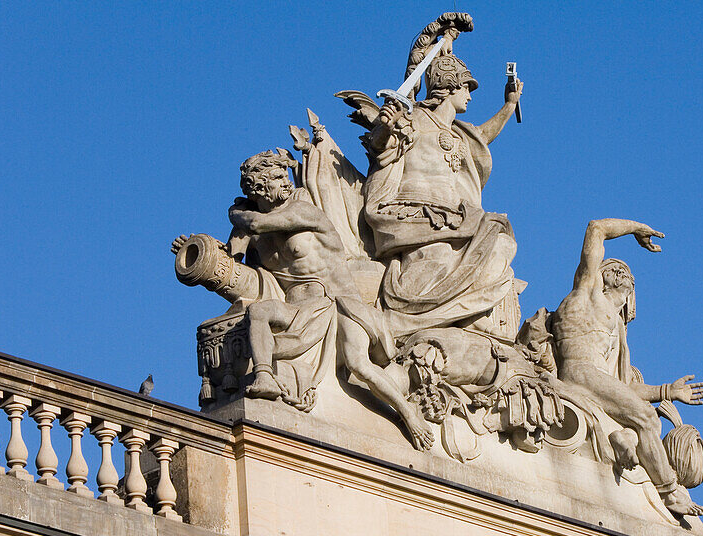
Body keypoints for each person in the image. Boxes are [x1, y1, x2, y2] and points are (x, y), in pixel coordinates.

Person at [174, 150, 434, 450]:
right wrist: (200, 250)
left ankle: (408, 412)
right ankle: (264, 377)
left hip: (338, 302)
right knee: (258, 313)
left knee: (358, 364)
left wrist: (235, 213)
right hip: (297, 308)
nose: (284, 183)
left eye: (284, 176)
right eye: (274, 179)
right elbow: (231, 256)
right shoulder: (247, 225)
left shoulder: (302, 208)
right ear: (258, 188)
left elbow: (256, 224)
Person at [362, 13, 524, 341]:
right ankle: (412, 320)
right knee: (437, 260)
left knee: (501, 244)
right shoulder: (415, 119)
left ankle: (459, 314)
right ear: (448, 88)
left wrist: (509, 106)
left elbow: (483, 135)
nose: (470, 95)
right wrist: (433, 33)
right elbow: (382, 144)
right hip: (415, 217)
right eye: (467, 87)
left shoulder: (460, 134)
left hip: (455, 220)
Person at [550, 219, 703, 516]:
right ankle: (670, 491)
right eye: (613, 268)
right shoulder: (586, 292)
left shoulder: (618, 331)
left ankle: (627, 440)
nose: (621, 272)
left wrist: (668, 391)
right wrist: (637, 228)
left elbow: (622, 388)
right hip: (579, 371)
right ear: (600, 275)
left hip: (596, 379)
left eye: (627, 272)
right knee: (648, 417)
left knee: (643, 416)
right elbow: (596, 228)